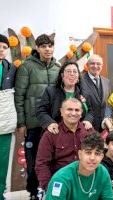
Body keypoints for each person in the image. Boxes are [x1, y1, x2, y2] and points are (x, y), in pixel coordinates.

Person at [14, 34, 60, 199]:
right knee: (33, 160)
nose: (47, 49)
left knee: (53, 158)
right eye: (43, 46)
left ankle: (50, 191)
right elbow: (19, 96)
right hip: (33, 123)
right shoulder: (26, 67)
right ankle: (33, 192)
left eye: (50, 46)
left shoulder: (58, 67)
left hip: (53, 123)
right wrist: (21, 122)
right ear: (38, 48)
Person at [35, 98, 95, 191]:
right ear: (61, 112)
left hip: (86, 182)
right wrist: (49, 187)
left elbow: (98, 158)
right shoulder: (51, 134)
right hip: (60, 183)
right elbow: (42, 164)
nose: (74, 113)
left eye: (77, 110)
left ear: (81, 113)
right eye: (69, 109)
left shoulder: (89, 131)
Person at [46, 134, 113, 200]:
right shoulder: (61, 179)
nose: (92, 158)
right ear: (80, 154)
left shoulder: (102, 172)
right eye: (88, 152)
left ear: (102, 157)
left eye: (97, 154)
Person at [37, 61, 93, 134]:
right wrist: (50, 123)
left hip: (78, 133)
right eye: (68, 71)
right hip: (56, 132)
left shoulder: (84, 93)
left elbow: (90, 111)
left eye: (75, 71)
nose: (72, 74)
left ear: (78, 76)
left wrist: (88, 120)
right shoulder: (51, 91)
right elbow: (41, 111)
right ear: (62, 75)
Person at [0, 34, 16, 200]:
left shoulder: (11, 68)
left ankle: (0, 193)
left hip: (3, 121)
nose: (1, 50)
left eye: (5, 47)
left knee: (2, 160)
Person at [82, 54, 111, 132]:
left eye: (98, 64)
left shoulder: (107, 82)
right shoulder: (80, 81)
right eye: (92, 63)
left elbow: (108, 104)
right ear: (87, 65)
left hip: (104, 126)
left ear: (102, 66)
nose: (95, 66)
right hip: (87, 126)